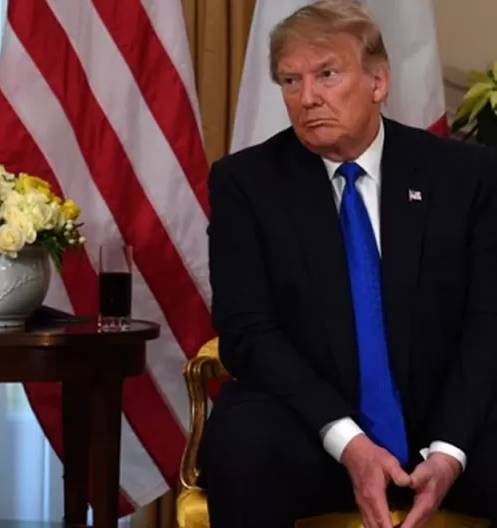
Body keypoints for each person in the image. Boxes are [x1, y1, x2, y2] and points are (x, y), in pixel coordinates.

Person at [199, 1, 497, 527]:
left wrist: (449, 450)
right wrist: (349, 441)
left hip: (446, 422)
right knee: (241, 438)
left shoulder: (464, 175)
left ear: (378, 82)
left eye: (327, 74)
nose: (307, 97)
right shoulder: (246, 183)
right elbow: (247, 332)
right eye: (290, 81)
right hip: (314, 426)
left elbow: (487, 321)